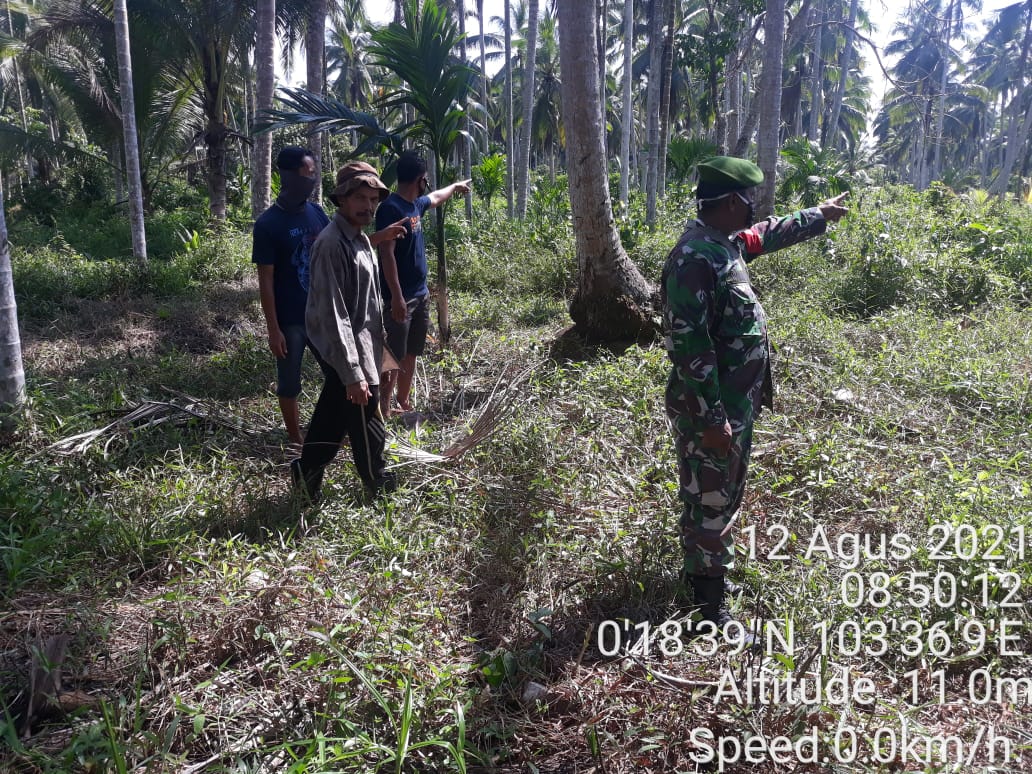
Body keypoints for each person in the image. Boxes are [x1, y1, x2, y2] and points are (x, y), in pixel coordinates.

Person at [661, 156, 849, 627]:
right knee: (710, 499)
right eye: (748, 198)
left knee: (720, 494)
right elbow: (689, 347)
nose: (753, 206)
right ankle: (707, 608)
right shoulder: (694, 258)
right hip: (711, 408)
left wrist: (818, 216)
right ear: (729, 202)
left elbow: (764, 234)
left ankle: (708, 575)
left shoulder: (723, 244)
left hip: (732, 404)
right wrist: (711, 418)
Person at [290, 162, 404, 502]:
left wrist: (379, 354)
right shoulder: (331, 244)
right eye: (360, 198)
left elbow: (367, 306)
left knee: (334, 413)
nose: (368, 206)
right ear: (341, 199)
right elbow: (333, 313)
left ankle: (306, 471)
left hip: (363, 345)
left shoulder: (361, 240)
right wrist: (353, 373)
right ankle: (377, 481)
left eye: (373, 199)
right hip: (345, 348)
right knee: (364, 415)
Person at [375, 150, 471, 415]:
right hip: (402, 298)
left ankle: (403, 401)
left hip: (420, 293)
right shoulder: (390, 209)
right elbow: (386, 254)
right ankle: (383, 407)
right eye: (425, 179)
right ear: (420, 179)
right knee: (394, 353)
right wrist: (396, 297)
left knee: (412, 351)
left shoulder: (415, 205)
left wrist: (455, 187)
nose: (426, 185)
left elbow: (436, 197)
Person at [252, 146, 329, 446]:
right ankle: (296, 438)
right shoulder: (268, 225)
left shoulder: (317, 213)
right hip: (291, 321)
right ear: (289, 176)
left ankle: (333, 428)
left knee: (338, 374)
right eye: (308, 174)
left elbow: (336, 251)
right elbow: (266, 280)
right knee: (289, 382)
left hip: (321, 315)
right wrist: (273, 329)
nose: (313, 179)